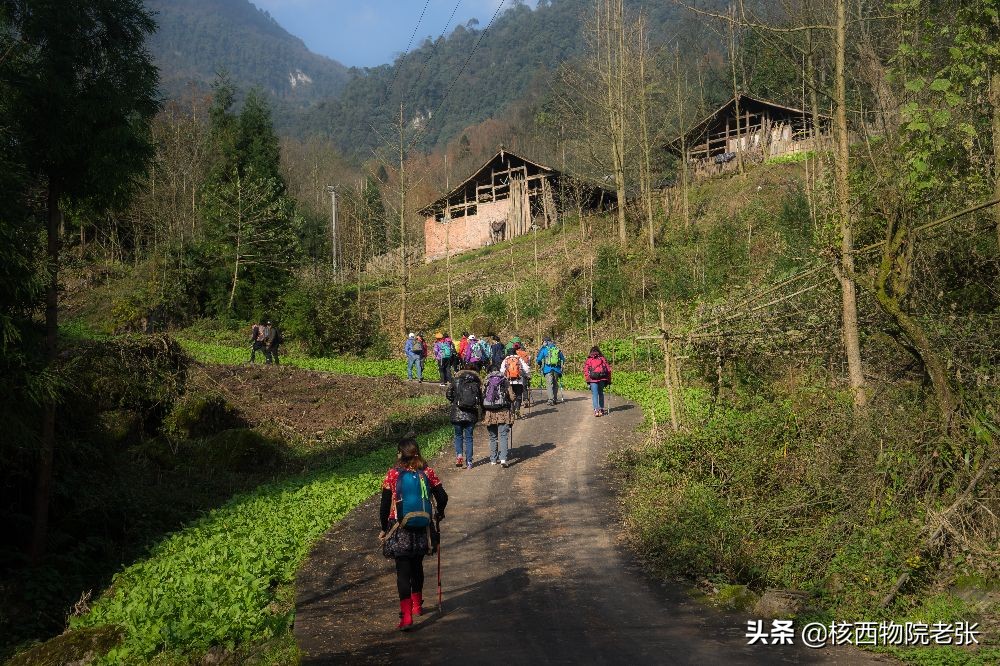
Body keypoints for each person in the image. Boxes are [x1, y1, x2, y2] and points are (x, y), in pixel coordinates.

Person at [379, 438, 448, 631]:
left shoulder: (392, 475)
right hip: (422, 528)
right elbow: (442, 496)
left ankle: (406, 617)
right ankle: (418, 606)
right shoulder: (426, 471)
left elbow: (385, 505)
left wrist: (384, 528)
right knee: (417, 566)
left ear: (400, 454)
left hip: (399, 527)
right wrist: (439, 513)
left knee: (403, 572)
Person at [446, 367, 482, 469]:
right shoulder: (476, 384)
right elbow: (479, 399)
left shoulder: (456, 381)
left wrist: (455, 401)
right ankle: (469, 462)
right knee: (469, 438)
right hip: (471, 415)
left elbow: (448, 394)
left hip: (457, 414)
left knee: (458, 436)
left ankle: (459, 455)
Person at [481, 368, 514, 467]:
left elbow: (482, 396)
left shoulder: (486, 381)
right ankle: (503, 459)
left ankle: (493, 459)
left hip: (490, 412)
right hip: (503, 412)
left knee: (493, 437)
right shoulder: (504, 381)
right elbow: (512, 397)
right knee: (503, 436)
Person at [502, 344, 531, 418]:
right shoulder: (519, 359)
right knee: (518, 395)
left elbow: (502, 370)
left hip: (509, 381)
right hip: (518, 380)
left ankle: (512, 411)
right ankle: (517, 409)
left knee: (510, 396)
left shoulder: (506, 359)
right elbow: (526, 368)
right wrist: (528, 375)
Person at [583, 346, 613, 417]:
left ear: (591, 352)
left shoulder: (589, 359)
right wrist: (609, 380)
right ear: (599, 351)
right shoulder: (602, 358)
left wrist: (588, 380)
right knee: (601, 393)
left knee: (595, 395)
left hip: (593, 380)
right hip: (602, 378)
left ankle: (596, 410)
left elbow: (586, 371)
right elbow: (608, 370)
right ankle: (602, 409)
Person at [536, 337, 565, 406]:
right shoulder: (557, 349)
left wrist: (540, 364)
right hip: (556, 369)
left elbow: (538, 359)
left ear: (546, 342)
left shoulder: (544, 349)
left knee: (549, 384)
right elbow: (563, 359)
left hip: (547, 369)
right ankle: (554, 399)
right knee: (555, 384)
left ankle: (550, 399)